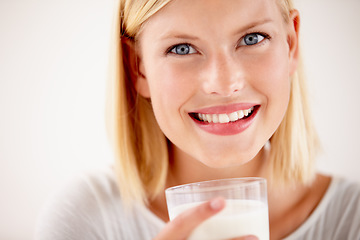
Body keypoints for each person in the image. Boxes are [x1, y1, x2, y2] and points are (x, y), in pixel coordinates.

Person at [35, 0, 360, 239]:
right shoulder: (84, 221)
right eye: (182, 48)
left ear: (290, 44)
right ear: (138, 66)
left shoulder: (352, 219)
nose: (223, 84)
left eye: (252, 39)